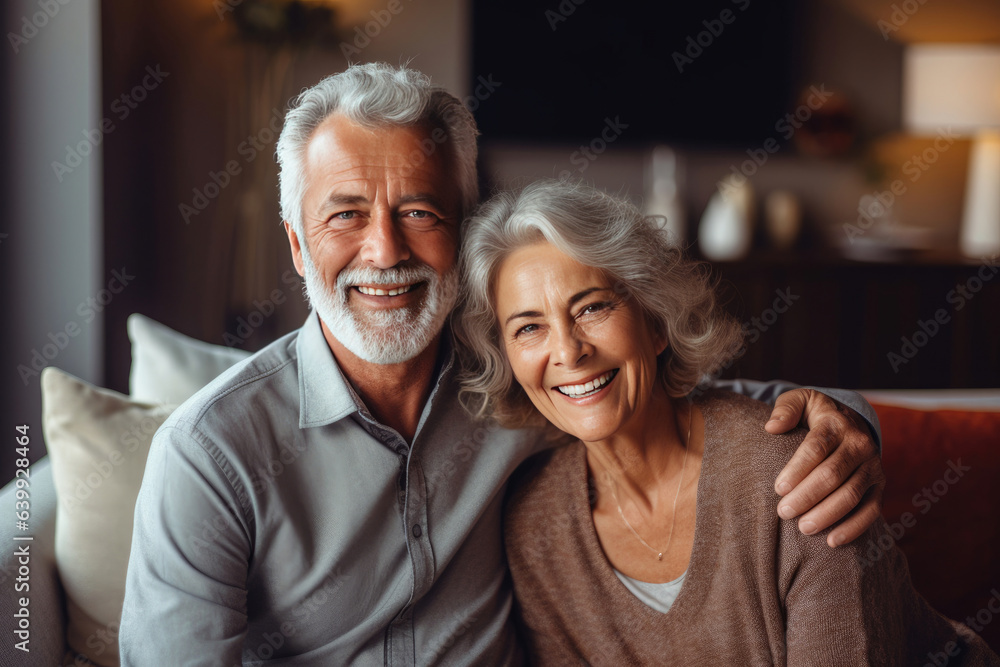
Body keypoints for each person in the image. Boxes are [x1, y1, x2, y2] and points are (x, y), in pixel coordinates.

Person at [120, 64, 885, 664]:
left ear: (462, 226)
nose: (384, 252)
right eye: (346, 214)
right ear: (296, 244)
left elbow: (681, 398)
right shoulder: (211, 453)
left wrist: (844, 420)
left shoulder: (522, 381)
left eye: (418, 211)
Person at [455, 179, 999, 665]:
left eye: (592, 307)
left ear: (657, 322)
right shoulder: (535, 525)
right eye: (529, 328)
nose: (568, 352)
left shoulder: (797, 472)